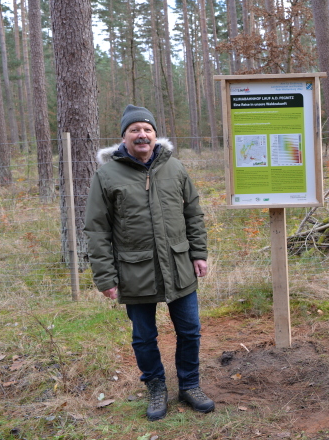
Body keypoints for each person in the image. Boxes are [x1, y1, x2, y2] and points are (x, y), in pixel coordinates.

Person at [85, 105, 215, 421]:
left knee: (190, 330)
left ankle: (189, 385)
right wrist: (105, 277)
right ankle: (156, 387)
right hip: (134, 270)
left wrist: (198, 253)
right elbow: (97, 229)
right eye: (135, 130)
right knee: (144, 336)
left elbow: (193, 214)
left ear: (155, 135)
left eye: (147, 129)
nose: (142, 135)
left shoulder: (176, 169)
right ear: (125, 136)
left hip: (179, 264)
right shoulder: (107, 175)